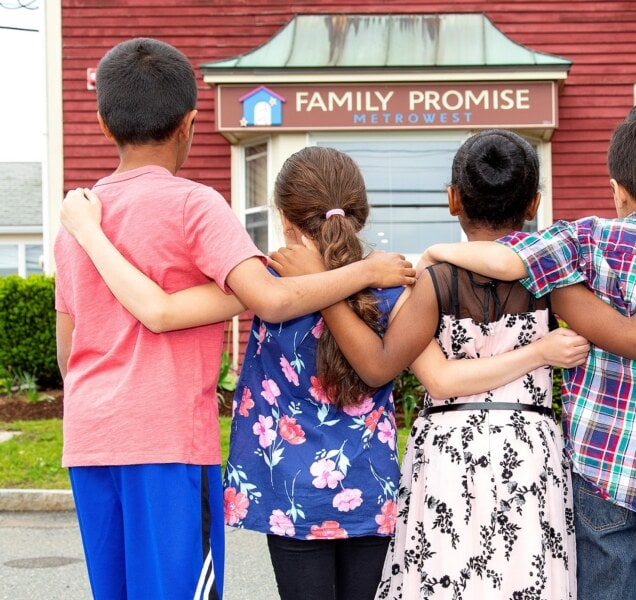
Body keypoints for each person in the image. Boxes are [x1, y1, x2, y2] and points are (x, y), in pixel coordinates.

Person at [60, 145, 594, 600]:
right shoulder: (394, 283)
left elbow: (164, 311)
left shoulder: (263, 283)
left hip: (290, 496)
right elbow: (402, 365)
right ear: (357, 212)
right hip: (371, 488)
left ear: (286, 219)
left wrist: (89, 234)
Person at [270, 129, 636, 599]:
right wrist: (538, 352)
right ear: (534, 203)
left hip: (446, 459)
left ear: (453, 200)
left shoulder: (434, 281)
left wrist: (430, 256)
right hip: (531, 457)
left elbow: (411, 371)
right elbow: (631, 334)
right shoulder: (557, 283)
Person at [54, 38, 412, 600]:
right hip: (165, 440)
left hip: (90, 438)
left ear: (103, 124)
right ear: (190, 123)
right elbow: (268, 299)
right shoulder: (195, 204)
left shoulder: (77, 221)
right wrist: (365, 272)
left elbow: (66, 350)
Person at [420, 107, 636, 599]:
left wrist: (435, 253)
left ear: (616, 188)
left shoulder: (587, 238)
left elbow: (505, 258)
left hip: (605, 465)